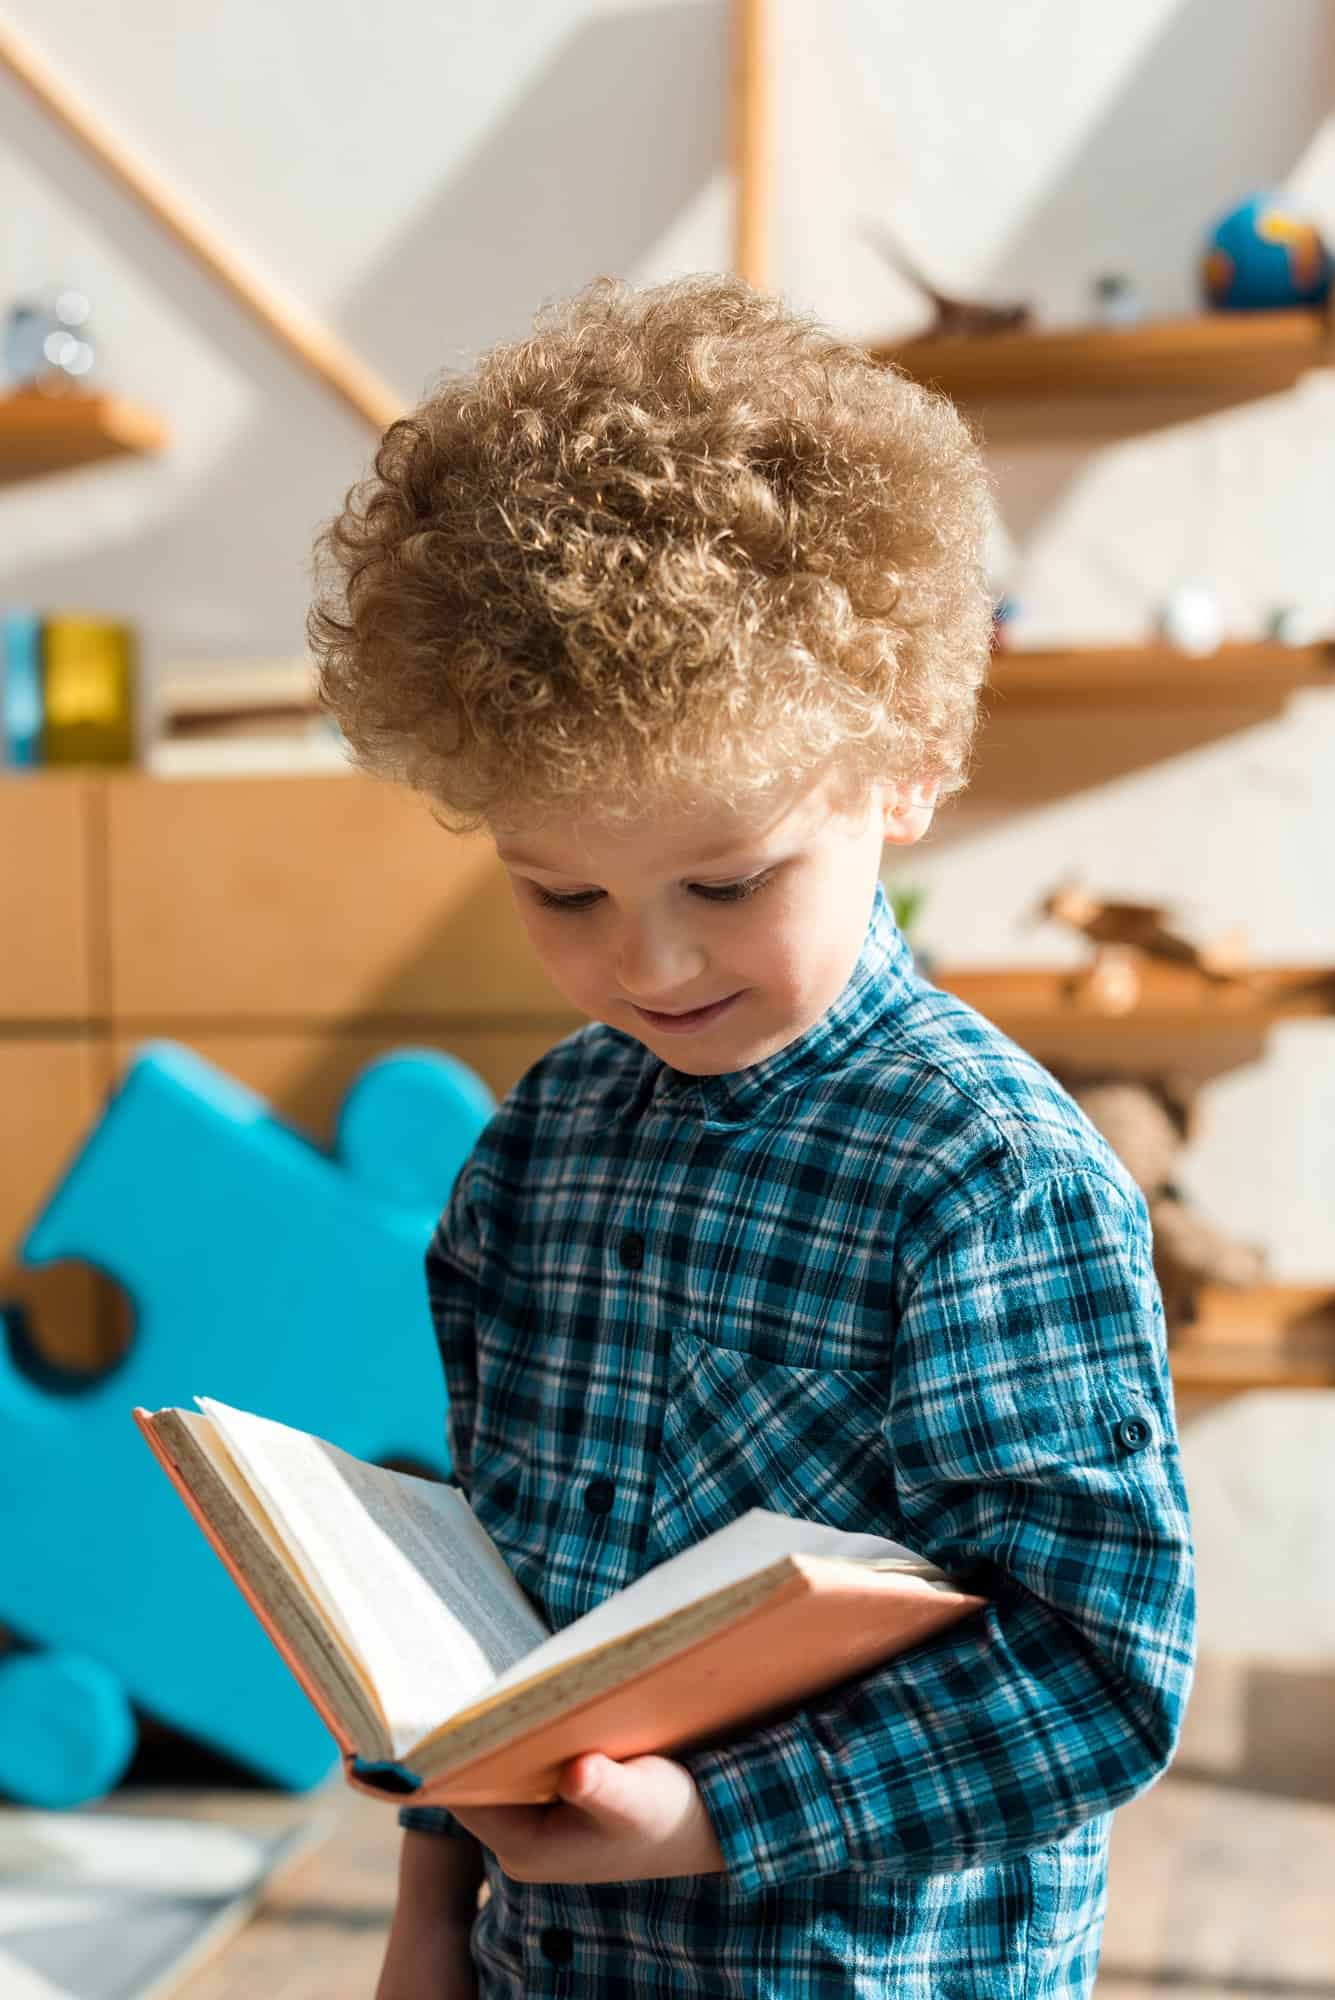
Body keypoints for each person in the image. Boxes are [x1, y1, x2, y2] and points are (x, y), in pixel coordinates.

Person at [307, 274, 1195, 2000]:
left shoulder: (985, 1180)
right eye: (559, 890)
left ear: (911, 767)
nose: (648, 960)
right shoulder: (544, 1142)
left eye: (730, 881)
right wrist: (429, 1929)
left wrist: (712, 1816)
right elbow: (496, 1613)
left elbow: (1098, 1671)